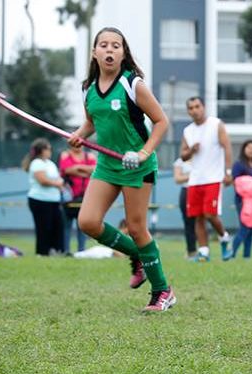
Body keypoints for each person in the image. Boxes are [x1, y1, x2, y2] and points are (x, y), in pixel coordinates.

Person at [67, 27, 175, 312]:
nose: (110, 50)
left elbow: (162, 121)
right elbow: (93, 122)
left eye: (116, 45)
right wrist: (80, 134)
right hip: (107, 165)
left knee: (138, 228)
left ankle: (162, 290)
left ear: (123, 53)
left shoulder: (132, 84)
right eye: (104, 45)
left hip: (137, 167)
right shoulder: (88, 90)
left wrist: (142, 153)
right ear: (94, 52)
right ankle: (138, 256)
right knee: (87, 221)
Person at [180, 96, 233, 262]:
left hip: (214, 178)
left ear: (203, 107)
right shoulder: (187, 131)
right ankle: (203, 251)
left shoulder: (216, 124)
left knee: (210, 214)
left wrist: (228, 172)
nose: (195, 110)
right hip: (195, 179)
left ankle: (224, 237)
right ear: (188, 111)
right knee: (198, 217)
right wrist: (191, 151)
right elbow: (182, 155)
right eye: (191, 108)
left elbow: (227, 147)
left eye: (197, 106)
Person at [22, 138, 65, 256]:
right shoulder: (36, 163)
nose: (50, 151)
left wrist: (60, 183)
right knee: (44, 227)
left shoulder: (50, 164)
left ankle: (57, 250)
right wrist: (57, 184)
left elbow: (57, 177)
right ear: (42, 150)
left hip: (54, 200)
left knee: (57, 226)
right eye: (48, 148)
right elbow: (42, 180)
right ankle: (42, 252)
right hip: (39, 200)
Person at [230, 139, 252, 259]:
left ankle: (247, 256)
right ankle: (231, 253)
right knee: (244, 227)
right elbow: (235, 182)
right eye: (249, 148)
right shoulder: (239, 164)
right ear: (244, 149)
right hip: (243, 201)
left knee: (251, 229)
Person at [59, 144, 97, 253]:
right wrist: (85, 171)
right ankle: (66, 251)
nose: (78, 145)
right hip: (69, 197)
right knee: (67, 225)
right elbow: (66, 170)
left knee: (83, 225)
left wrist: (77, 168)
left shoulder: (89, 156)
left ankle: (81, 251)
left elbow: (94, 170)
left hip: (85, 196)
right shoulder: (65, 155)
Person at [173, 156, 197, 259]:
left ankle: (203, 250)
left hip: (200, 190)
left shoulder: (203, 157)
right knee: (188, 222)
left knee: (200, 222)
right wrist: (193, 175)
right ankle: (191, 250)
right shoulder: (180, 161)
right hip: (187, 191)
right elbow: (178, 178)